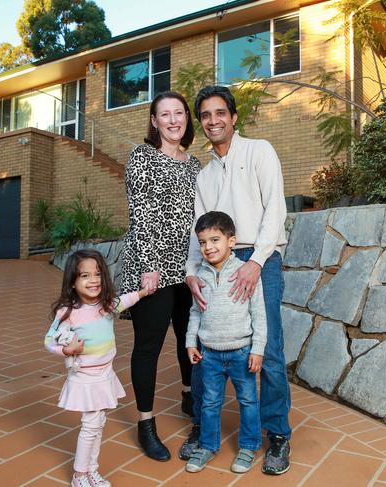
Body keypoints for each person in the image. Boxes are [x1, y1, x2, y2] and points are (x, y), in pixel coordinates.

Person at [180, 85, 292, 475]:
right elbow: (199, 230)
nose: (213, 120)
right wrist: (193, 273)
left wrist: (256, 261)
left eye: (219, 113)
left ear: (233, 116)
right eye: (206, 115)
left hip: (258, 257)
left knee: (269, 348)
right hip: (215, 261)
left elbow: (274, 210)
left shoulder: (259, 150)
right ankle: (201, 426)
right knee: (207, 343)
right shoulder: (204, 175)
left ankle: (276, 434)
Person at [119, 91, 201, 461]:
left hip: (188, 268)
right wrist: (149, 265)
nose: (173, 120)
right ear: (154, 121)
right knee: (148, 347)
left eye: (179, 113)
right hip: (151, 268)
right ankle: (146, 424)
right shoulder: (143, 156)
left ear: (187, 118)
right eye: (164, 114)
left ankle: (189, 397)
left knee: (190, 338)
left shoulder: (195, 164)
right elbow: (142, 213)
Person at [44, 249, 150, 487]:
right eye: (85, 276)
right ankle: (79, 475)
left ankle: (91, 470)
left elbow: (125, 301)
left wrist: (143, 292)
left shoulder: (106, 306)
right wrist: (66, 350)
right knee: (91, 426)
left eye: (98, 274)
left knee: (98, 424)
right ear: (72, 282)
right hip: (86, 378)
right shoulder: (69, 312)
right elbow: (49, 340)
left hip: (105, 375)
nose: (93, 280)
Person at [184, 211, 266, 474]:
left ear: (232, 241)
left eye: (215, 240)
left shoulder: (246, 272)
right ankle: (207, 446)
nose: (209, 247)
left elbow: (259, 314)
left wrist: (258, 349)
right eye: (203, 242)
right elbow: (196, 311)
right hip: (210, 354)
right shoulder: (200, 276)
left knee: (248, 402)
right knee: (209, 403)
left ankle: (248, 446)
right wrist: (190, 342)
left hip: (242, 352)